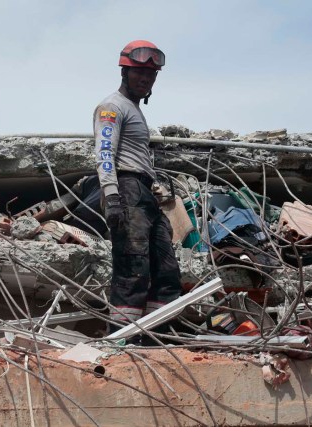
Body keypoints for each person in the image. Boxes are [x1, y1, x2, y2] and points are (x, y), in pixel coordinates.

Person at [93, 40, 181, 335]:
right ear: (124, 72)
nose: (146, 79)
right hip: (126, 190)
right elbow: (104, 153)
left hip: (144, 193)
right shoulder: (111, 107)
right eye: (140, 73)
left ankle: (158, 337)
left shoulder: (134, 109)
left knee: (166, 270)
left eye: (151, 75)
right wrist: (112, 197)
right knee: (133, 268)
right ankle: (121, 341)